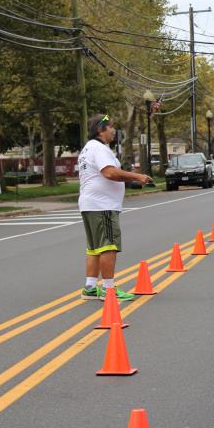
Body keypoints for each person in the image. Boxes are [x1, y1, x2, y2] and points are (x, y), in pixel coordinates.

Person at [78, 114, 152, 301]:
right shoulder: (99, 148)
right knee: (108, 246)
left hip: (90, 204)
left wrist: (130, 181)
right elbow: (110, 173)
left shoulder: (88, 148)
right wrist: (137, 176)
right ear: (100, 130)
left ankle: (90, 287)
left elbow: (108, 175)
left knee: (95, 248)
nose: (114, 130)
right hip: (102, 206)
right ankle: (108, 289)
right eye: (110, 127)